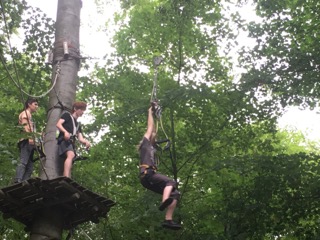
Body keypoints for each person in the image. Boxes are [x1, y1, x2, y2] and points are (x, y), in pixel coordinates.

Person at [138, 102, 182, 230]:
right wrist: (150, 112)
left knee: (176, 194)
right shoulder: (145, 145)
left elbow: (155, 132)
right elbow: (151, 127)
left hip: (149, 179)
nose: (154, 135)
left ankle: (168, 220)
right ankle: (164, 201)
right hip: (147, 174)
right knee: (170, 181)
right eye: (153, 135)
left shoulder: (153, 148)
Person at [56, 101, 91, 178]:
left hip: (70, 143)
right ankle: (66, 177)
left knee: (71, 157)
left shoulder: (78, 125)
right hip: (64, 140)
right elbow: (58, 124)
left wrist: (86, 142)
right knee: (71, 155)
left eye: (83, 110)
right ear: (75, 109)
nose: (82, 112)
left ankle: (67, 175)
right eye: (81, 110)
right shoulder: (67, 116)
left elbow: (81, 138)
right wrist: (65, 132)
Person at [14, 98, 39, 183]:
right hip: (26, 140)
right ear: (29, 104)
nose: (37, 106)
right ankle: (18, 180)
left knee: (29, 166)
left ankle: (24, 181)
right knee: (23, 161)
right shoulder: (26, 113)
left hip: (30, 141)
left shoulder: (30, 115)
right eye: (35, 104)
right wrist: (30, 137)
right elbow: (25, 126)